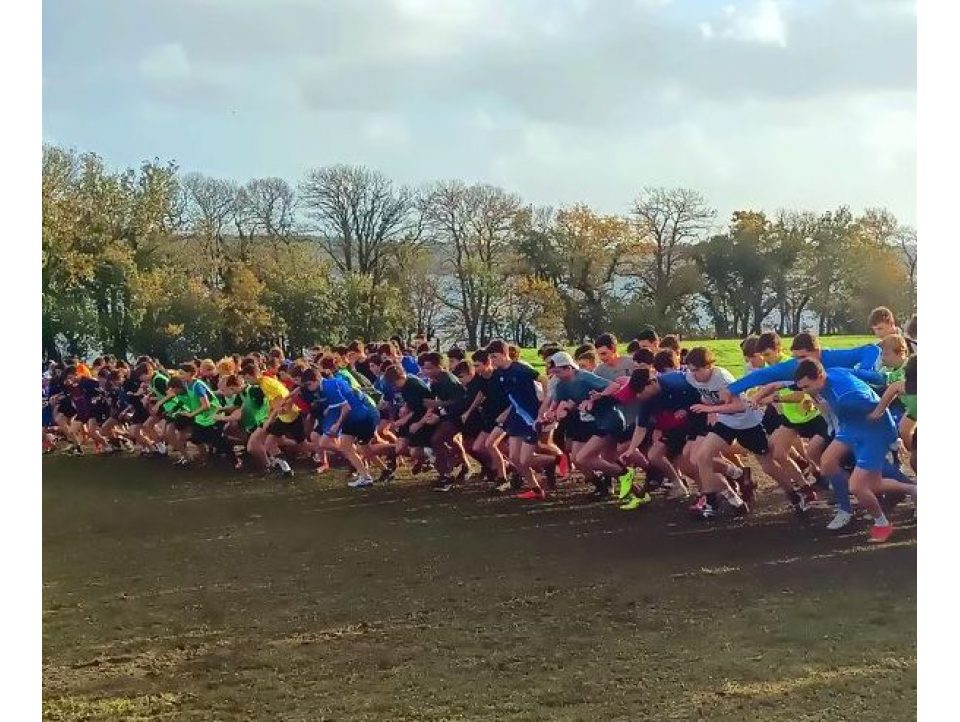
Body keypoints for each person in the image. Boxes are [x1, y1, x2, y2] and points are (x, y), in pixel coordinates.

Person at [792, 359, 917, 542]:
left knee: (859, 486)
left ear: (819, 376)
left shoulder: (850, 396)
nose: (805, 391)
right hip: (850, 428)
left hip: (872, 434)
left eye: (806, 386)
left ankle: (884, 521)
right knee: (827, 463)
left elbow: (879, 406)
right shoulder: (830, 373)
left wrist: (892, 439)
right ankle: (846, 509)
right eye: (802, 387)